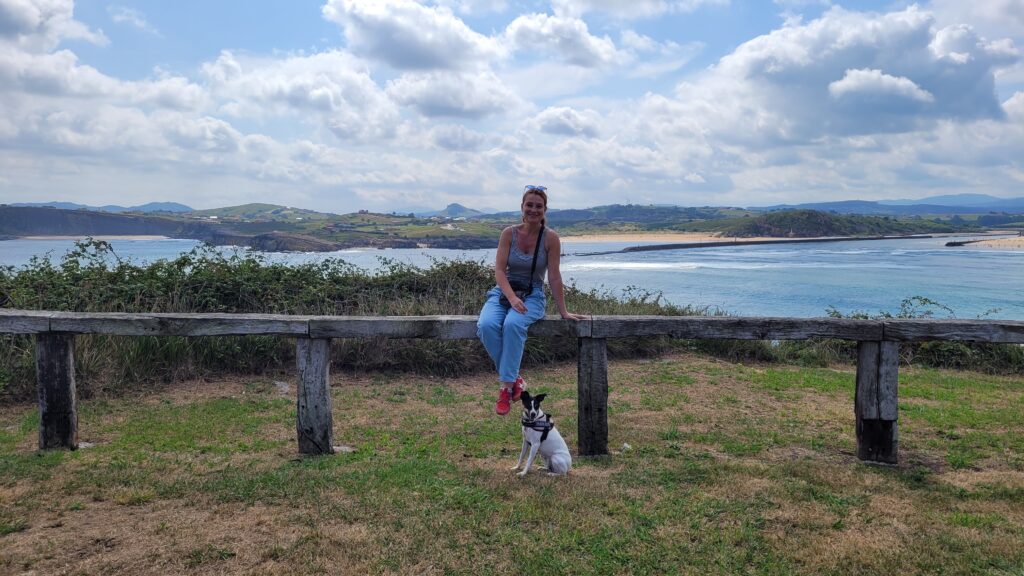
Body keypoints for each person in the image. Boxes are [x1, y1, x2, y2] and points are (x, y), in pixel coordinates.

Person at [477, 185, 586, 415]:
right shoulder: (509, 233)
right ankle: (515, 379)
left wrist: (564, 311)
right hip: (504, 291)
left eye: (539, 206)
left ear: (545, 210)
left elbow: (554, 276)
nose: (533, 210)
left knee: (513, 324)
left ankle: (505, 390)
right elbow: (498, 270)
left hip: (533, 293)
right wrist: (511, 297)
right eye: (530, 205)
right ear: (522, 207)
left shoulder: (551, 238)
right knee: (485, 325)